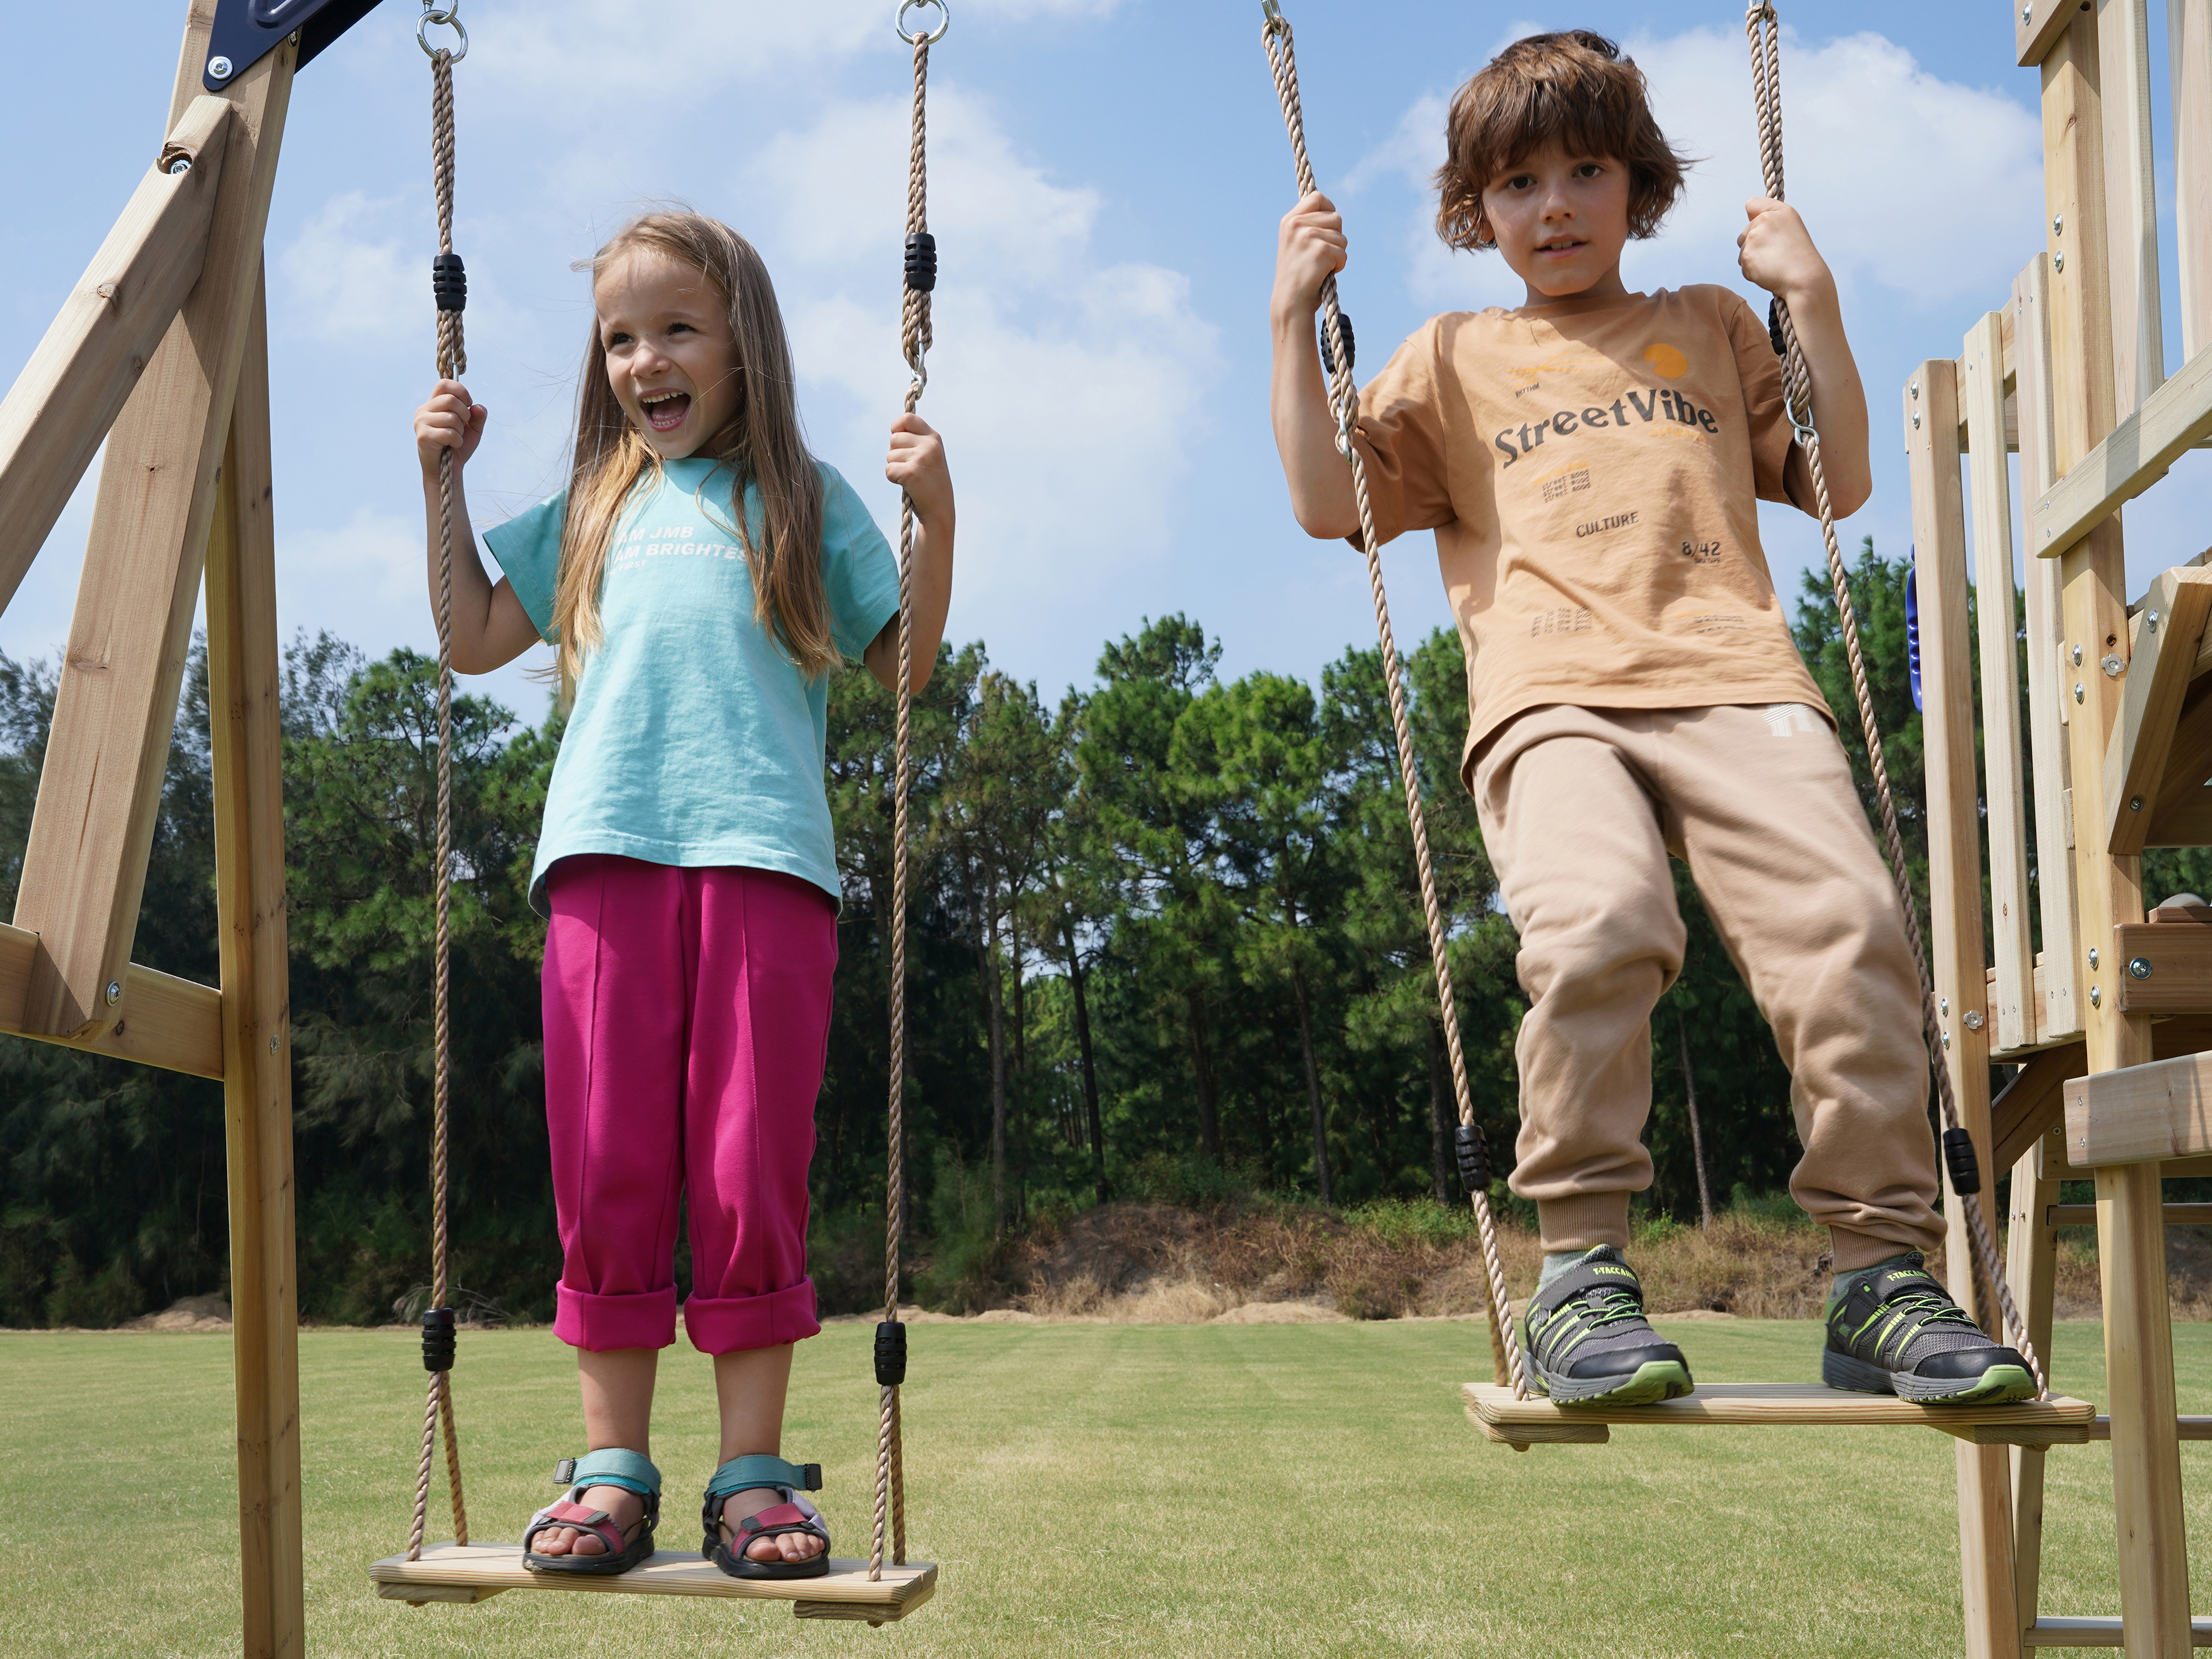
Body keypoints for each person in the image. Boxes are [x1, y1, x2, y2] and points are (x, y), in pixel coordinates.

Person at [1267, 31, 2031, 1407]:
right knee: (1605, 928)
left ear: (1637, 185)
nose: (1551, 206)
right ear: (1472, 209)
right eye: (1514, 185)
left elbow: (1840, 477)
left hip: (1736, 678)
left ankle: (1879, 1278)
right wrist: (1289, 317)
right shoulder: (1450, 355)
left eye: (1584, 170)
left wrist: (1812, 298)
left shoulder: (1710, 324)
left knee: (1852, 938)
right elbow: (1332, 506)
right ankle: (1578, 1274)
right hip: (1551, 698)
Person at [411, 209, 954, 1575]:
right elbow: (474, 638)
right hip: (602, 860)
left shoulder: (811, 502)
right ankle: (610, 1472)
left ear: (741, 348)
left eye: (675, 329)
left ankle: (754, 1478)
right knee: (607, 1165)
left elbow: (902, 675)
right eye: (617, 337)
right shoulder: (595, 507)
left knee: (742, 1169)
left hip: (768, 863)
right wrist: (442, 484)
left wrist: (937, 516)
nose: (642, 358)